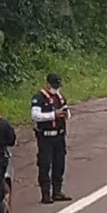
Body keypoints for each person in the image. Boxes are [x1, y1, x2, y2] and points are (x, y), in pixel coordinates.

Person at [31, 73, 72, 204]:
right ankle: (45, 194)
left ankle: (57, 192)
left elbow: (67, 113)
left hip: (59, 136)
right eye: (54, 86)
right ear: (48, 84)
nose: (56, 88)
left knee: (59, 164)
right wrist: (53, 115)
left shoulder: (60, 97)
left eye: (57, 86)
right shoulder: (38, 98)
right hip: (46, 137)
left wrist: (65, 113)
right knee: (45, 164)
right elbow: (35, 116)